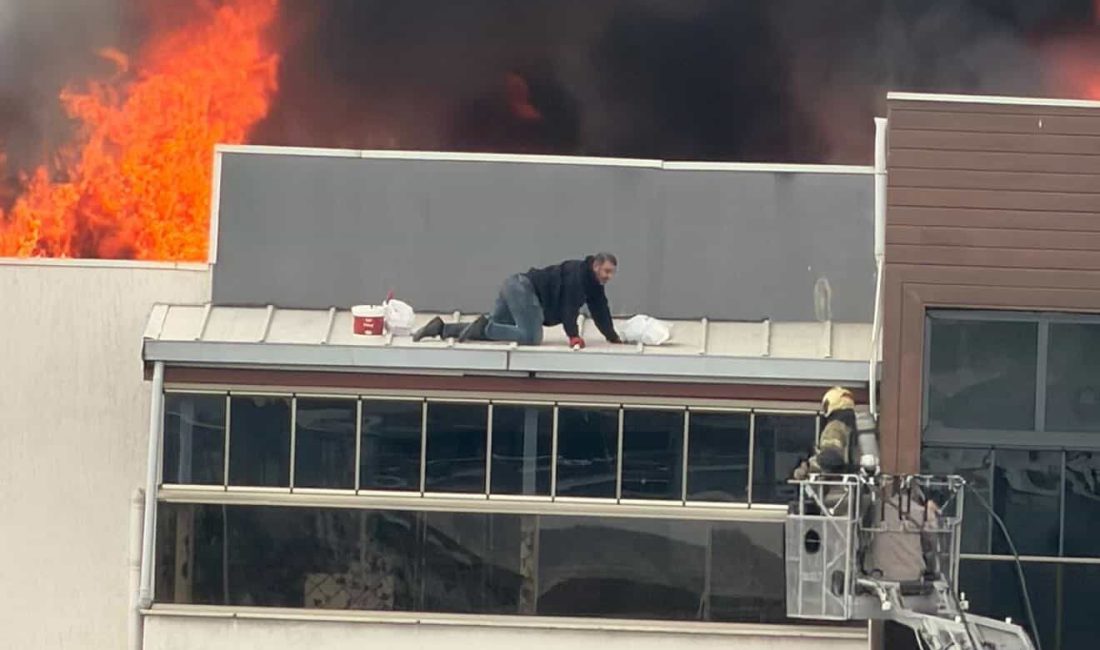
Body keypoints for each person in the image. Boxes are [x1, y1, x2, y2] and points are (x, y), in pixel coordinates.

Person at [413, 253, 622, 348]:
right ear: (596, 266)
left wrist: (612, 337)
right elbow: (569, 307)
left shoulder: (594, 286)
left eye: (612, 273)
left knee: (495, 332)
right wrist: (573, 336)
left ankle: (441, 329)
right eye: (607, 271)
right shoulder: (579, 277)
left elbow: (600, 311)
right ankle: (486, 326)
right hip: (524, 291)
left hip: (513, 285)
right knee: (531, 337)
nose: (609, 277)